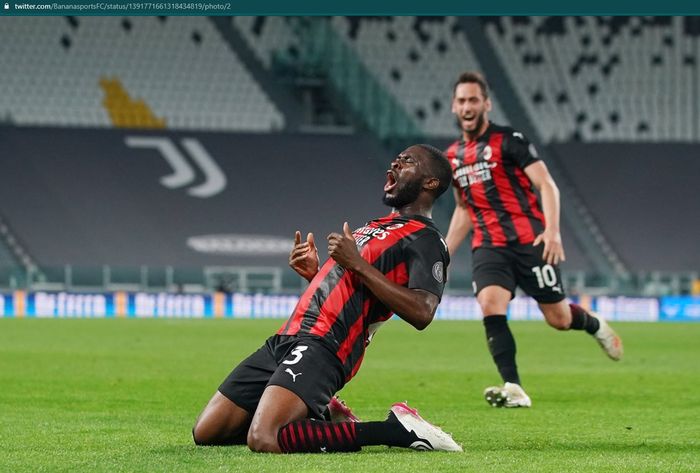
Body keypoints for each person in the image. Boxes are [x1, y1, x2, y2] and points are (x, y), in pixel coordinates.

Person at [192, 144, 462, 453]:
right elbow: (352, 288)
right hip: (288, 336)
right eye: (397, 159)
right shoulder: (374, 227)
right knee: (209, 431)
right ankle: (323, 417)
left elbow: (422, 311)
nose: (396, 163)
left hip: (327, 345)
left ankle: (394, 430)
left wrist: (357, 263)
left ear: (430, 183)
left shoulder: (426, 239)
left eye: (408, 161)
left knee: (265, 438)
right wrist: (314, 274)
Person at [444, 72, 623, 408]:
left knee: (558, 319)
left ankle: (594, 323)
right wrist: (445, 251)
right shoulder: (452, 156)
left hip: (529, 242)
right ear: (454, 106)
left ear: (486, 103)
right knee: (489, 304)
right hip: (489, 246)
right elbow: (464, 209)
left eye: (473, 100)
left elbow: (547, 185)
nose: (467, 106)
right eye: (461, 100)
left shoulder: (510, 140)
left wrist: (552, 230)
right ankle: (514, 387)